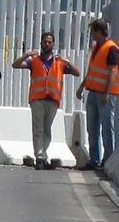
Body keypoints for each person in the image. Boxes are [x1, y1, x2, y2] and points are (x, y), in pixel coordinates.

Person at [11, 31, 80, 170]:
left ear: (53, 44)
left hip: (52, 100)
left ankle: (43, 154)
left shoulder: (59, 62)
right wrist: (26, 54)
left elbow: (77, 73)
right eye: (45, 41)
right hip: (37, 99)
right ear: (41, 43)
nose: (47, 44)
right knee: (38, 128)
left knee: (47, 129)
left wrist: (67, 61)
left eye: (49, 42)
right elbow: (15, 65)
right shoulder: (34, 60)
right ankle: (40, 157)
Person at [75, 18, 119, 171]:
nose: (92, 35)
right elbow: (92, 70)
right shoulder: (96, 48)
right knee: (92, 128)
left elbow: (112, 72)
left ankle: (108, 160)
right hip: (93, 92)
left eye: (93, 32)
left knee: (107, 128)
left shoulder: (112, 49)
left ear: (99, 31)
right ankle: (94, 159)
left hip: (104, 95)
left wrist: (107, 93)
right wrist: (82, 87)